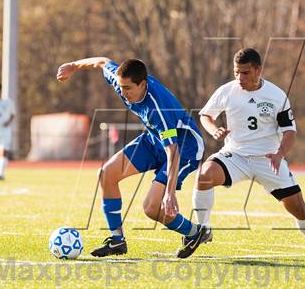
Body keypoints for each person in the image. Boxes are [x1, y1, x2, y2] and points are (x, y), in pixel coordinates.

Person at [57, 57, 207, 258]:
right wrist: (73, 66)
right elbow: (101, 62)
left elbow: (173, 152)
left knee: (152, 208)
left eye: (127, 88)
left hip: (185, 149)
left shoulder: (158, 108)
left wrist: (170, 193)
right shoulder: (122, 83)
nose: (123, 93)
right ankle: (117, 240)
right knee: (106, 174)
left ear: (143, 84)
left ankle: (195, 232)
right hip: (154, 140)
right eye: (121, 87)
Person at [191, 48, 305, 257]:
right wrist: (214, 130)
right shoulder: (227, 90)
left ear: (258, 70)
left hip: (268, 160)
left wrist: (279, 154)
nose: (240, 78)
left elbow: (290, 133)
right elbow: (205, 115)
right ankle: (203, 229)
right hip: (235, 156)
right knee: (204, 176)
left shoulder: (276, 96)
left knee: (298, 208)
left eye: (245, 73)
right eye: (236, 72)